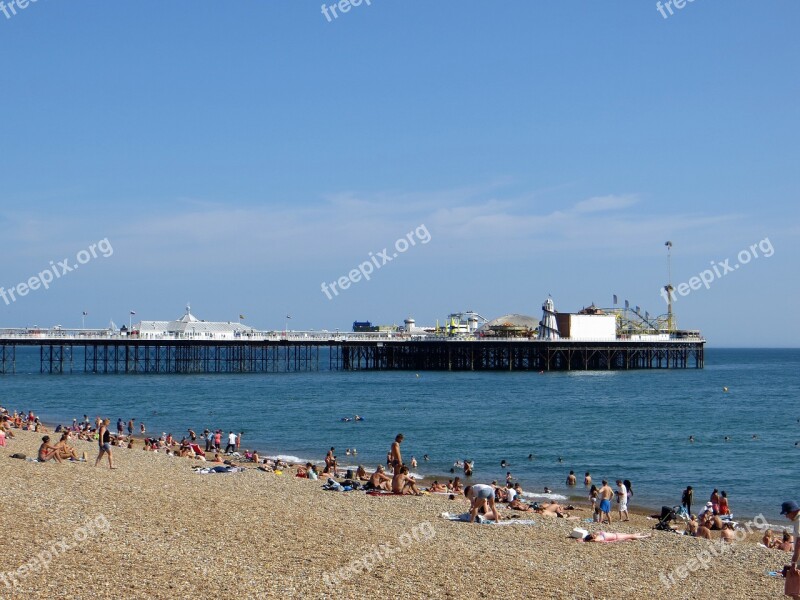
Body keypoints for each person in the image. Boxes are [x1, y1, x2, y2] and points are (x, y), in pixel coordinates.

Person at [781, 501, 800, 577]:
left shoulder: (798, 522)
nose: (786, 516)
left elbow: (799, 543)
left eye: (786, 514)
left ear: (792, 511)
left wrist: (793, 563)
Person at [581, 532, 650, 543]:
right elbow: (608, 542)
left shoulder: (598, 535)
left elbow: (585, 539)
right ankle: (646, 536)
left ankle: (641, 533)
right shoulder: (597, 539)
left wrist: (583, 539)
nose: (593, 534)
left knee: (630, 534)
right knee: (632, 536)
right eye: (592, 535)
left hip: (616, 534)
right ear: (592, 538)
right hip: (617, 537)